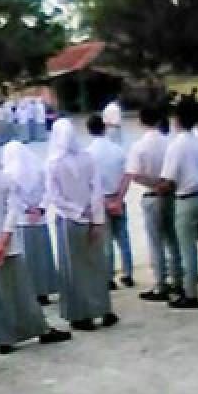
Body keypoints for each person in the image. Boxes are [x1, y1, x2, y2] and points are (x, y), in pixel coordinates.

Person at [0, 137, 71, 354]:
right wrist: (3, 242)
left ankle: (2, 338)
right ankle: (38, 329)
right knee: (20, 293)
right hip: (8, 248)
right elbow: (12, 211)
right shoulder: (5, 180)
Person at [46, 119, 120, 330]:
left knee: (74, 269)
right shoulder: (87, 158)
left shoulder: (54, 162)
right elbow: (96, 190)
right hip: (92, 219)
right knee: (96, 266)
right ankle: (103, 310)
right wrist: (96, 218)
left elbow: (55, 196)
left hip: (70, 221)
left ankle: (82, 315)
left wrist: (77, 212)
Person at [159, 102, 198, 309]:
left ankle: (191, 293)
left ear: (177, 121)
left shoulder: (176, 146)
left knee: (188, 249)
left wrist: (157, 187)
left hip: (185, 199)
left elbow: (168, 179)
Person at [122, 106, 182, 301]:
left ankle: (161, 283)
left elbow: (134, 174)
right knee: (173, 239)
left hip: (152, 194)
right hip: (171, 193)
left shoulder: (139, 146)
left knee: (155, 242)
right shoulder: (170, 143)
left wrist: (153, 183)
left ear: (141, 122)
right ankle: (178, 280)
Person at [2, 141, 58, 305]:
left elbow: (13, 199)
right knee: (41, 256)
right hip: (39, 220)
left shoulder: (8, 174)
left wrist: (27, 210)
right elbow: (49, 191)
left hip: (21, 220)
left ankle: (28, 291)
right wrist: (40, 209)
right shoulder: (39, 169)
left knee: (26, 257)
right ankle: (43, 291)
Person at [86, 114, 134, 289]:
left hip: (101, 200)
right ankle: (128, 273)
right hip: (118, 196)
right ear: (105, 127)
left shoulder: (88, 154)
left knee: (105, 241)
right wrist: (119, 199)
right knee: (123, 237)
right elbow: (128, 175)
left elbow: (90, 182)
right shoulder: (118, 150)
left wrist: (103, 202)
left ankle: (108, 277)